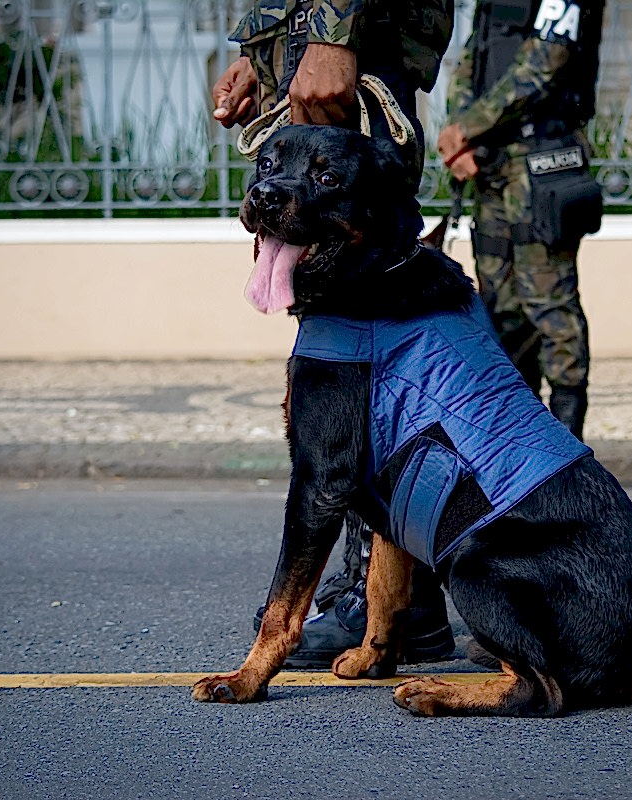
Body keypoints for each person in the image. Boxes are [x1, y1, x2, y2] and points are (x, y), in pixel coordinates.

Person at [210, 0, 457, 668]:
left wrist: (330, 39)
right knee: (354, 362)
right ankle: (399, 603)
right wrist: (266, 51)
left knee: (360, 373)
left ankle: (380, 599)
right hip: (318, 42)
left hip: (352, 37)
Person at [437, 0, 606, 441]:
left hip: (543, 161)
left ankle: (568, 444)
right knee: (501, 309)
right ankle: (521, 444)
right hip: (491, 162)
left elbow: (544, 61)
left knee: (550, 304)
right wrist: (459, 132)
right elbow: (473, 57)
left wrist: (468, 128)